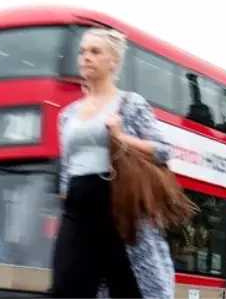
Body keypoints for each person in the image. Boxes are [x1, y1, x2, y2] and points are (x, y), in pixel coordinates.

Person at [51, 27, 175, 299]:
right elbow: (67, 167)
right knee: (65, 287)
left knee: (127, 288)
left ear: (113, 62)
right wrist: (65, 193)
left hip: (116, 207)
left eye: (95, 52)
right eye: (83, 52)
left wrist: (121, 137)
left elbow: (164, 151)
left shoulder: (130, 105)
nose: (86, 57)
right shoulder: (67, 115)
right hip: (76, 210)